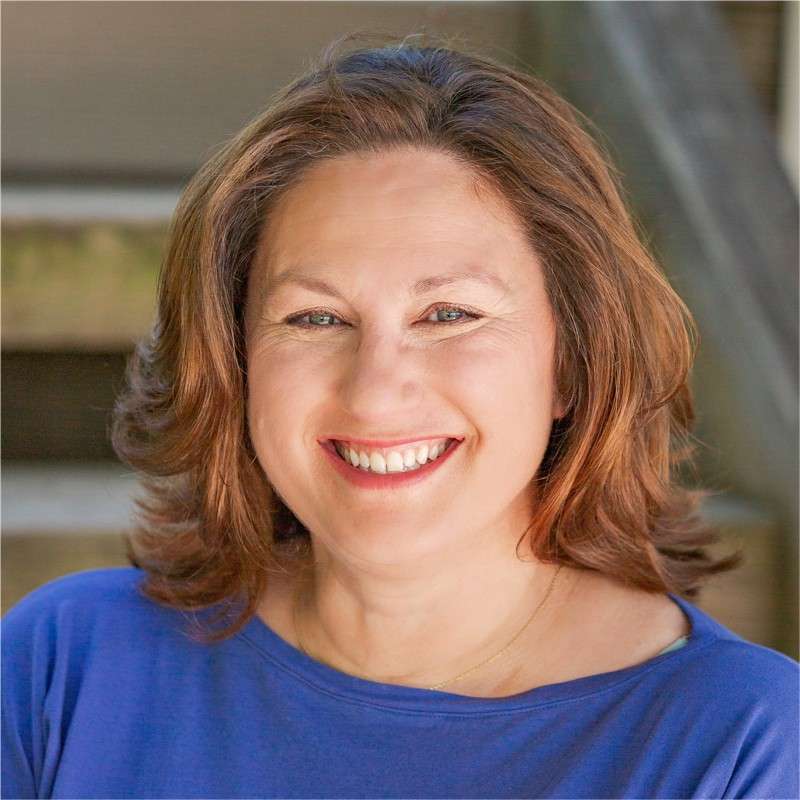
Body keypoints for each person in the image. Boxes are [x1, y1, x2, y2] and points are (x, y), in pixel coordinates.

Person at [2, 32, 798, 800]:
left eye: (449, 314)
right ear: (235, 363)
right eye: (315, 318)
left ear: (572, 362)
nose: (375, 392)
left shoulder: (741, 743)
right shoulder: (65, 668)